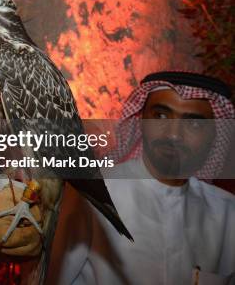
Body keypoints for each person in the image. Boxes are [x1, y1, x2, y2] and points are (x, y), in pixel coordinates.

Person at [47, 71, 235, 284]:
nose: (173, 135)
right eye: (160, 116)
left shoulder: (228, 212)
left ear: (214, 134)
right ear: (141, 121)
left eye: (194, 123)